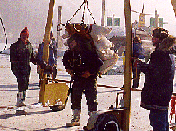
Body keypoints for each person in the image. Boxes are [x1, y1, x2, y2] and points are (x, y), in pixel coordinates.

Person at [63, 33, 103, 127]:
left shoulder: (88, 52)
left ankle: (93, 119)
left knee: (91, 99)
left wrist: (90, 72)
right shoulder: (70, 53)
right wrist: (68, 69)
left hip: (90, 79)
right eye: (70, 44)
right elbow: (65, 61)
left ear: (77, 42)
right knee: (75, 98)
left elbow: (98, 64)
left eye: (73, 43)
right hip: (77, 78)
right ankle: (76, 117)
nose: (71, 46)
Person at [138, 35, 175, 131]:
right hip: (163, 96)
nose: (152, 40)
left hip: (157, 96)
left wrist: (140, 65)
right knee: (161, 121)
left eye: (154, 37)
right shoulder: (169, 55)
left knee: (158, 123)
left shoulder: (160, 55)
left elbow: (154, 72)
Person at [10, 27, 37, 107]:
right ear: (20, 36)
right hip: (18, 67)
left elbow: (32, 57)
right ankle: (20, 100)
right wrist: (16, 66)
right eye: (23, 36)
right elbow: (12, 58)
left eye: (26, 36)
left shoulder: (29, 45)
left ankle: (22, 99)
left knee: (25, 83)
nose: (24, 37)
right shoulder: (15, 46)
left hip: (26, 67)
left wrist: (38, 62)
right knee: (21, 82)